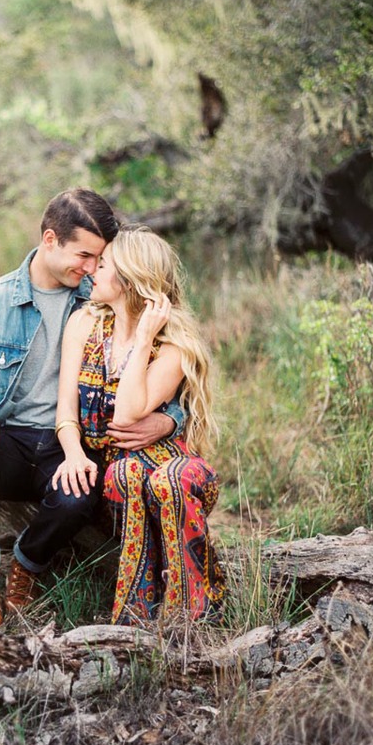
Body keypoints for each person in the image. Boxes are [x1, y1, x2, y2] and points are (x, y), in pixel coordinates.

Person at [0, 188, 184, 627]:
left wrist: (169, 420)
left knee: (78, 496)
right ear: (50, 240)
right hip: (9, 439)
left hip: (70, 445)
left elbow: (168, 361)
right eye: (84, 256)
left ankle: (25, 564)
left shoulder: (102, 297)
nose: (92, 269)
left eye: (99, 259)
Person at [52, 224, 225, 625]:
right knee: (128, 471)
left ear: (130, 282)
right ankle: (136, 616)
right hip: (120, 476)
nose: (93, 269)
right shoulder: (83, 325)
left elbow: (128, 414)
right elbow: (66, 409)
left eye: (105, 264)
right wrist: (75, 454)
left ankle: (193, 612)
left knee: (169, 480)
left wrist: (143, 335)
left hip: (176, 470)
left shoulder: (174, 344)